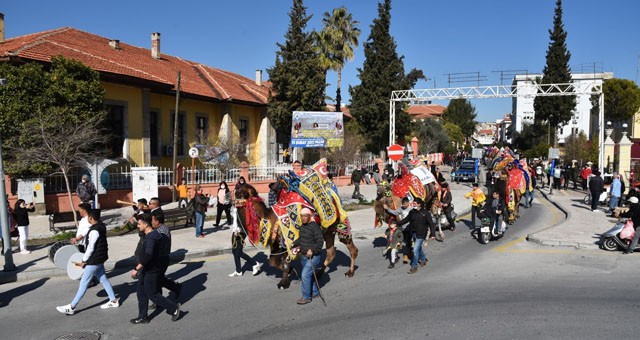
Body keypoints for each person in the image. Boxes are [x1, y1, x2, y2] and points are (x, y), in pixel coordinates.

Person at [56, 209, 120, 315]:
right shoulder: (101, 226)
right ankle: (113, 300)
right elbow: (87, 232)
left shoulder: (94, 231)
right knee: (103, 278)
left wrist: (84, 260)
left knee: (84, 283)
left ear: (90, 218)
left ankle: (72, 307)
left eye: (88, 218)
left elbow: (90, 248)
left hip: (94, 259)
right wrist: (77, 239)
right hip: (100, 258)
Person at [130, 213, 181, 324]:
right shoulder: (151, 235)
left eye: (139, 224)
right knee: (141, 292)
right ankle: (143, 316)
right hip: (148, 268)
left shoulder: (152, 237)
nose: (137, 226)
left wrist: (136, 268)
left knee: (152, 293)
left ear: (146, 224)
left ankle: (173, 308)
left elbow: (148, 255)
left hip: (152, 269)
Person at [292, 207, 324, 305]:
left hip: (313, 257)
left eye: (306, 216)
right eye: (302, 216)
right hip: (304, 256)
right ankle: (315, 293)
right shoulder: (303, 226)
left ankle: (306, 297)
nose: (304, 218)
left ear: (310, 216)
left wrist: (312, 250)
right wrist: (293, 243)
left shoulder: (314, 226)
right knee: (309, 275)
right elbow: (302, 239)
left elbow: (320, 241)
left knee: (305, 275)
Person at [396, 198, 435, 274]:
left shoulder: (425, 213)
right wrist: (397, 224)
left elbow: (431, 224)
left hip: (422, 234)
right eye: (413, 203)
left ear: (419, 204)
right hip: (413, 233)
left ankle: (414, 266)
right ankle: (423, 259)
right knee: (418, 248)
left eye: (415, 203)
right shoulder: (412, 212)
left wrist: (432, 234)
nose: (413, 204)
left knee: (415, 250)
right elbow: (406, 220)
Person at [151, 213, 182, 301]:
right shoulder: (159, 229)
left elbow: (161, 246)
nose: (151, 222)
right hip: (160, 258)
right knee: (158, 279)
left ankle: (160, 299)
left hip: (162, 258)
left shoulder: (161, 231)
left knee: (157, 280)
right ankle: (175, 288)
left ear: (157, 221)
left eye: (152, 220)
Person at [227, 211, 262, 277]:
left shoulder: (244, 206)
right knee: (235, 251)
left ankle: (254, 264)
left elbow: (246, 220)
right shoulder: (236, 205)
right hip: (235, 230)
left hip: (241, 231)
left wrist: (239, 228)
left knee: (237, 251)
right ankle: (238, 271)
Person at [384, 197, 413, 264]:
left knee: (408, 242)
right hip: (403, 228)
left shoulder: (412, 209)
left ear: (408, 203)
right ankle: (408, 253)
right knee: (405, 241)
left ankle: (406, 255)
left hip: (410, 228)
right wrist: (387, 208)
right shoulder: (400, 209)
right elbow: (394, 212)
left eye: (405, 204)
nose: (404, 205)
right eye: (403, 204)